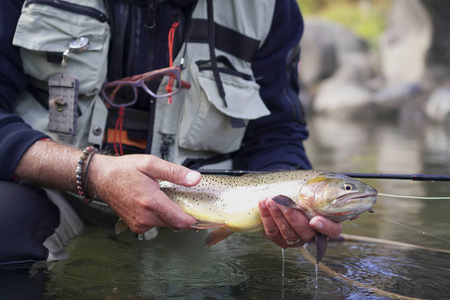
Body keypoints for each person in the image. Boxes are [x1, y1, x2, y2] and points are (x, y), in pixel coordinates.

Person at [0, 0, 342, 264]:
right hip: (54, 190)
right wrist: (91, 172)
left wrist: (290, 203)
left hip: (199, 214)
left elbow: (275, 133)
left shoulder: (270, 8)